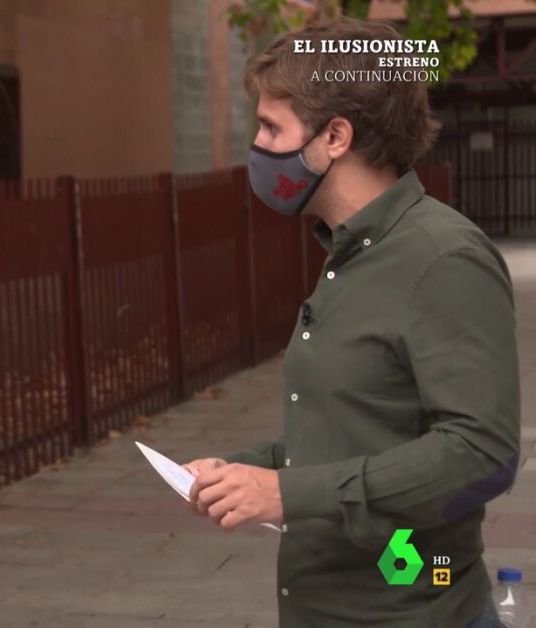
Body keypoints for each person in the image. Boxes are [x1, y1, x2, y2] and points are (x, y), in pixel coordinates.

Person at [183, 18, 520, 628]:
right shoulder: (351, 252)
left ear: (335, 136)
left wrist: (286, 493)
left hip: (415, 611)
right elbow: (359, 429)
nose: (257, 147)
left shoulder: (443, 258)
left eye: (271, 127)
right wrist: (244, 469)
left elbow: (481, 453)